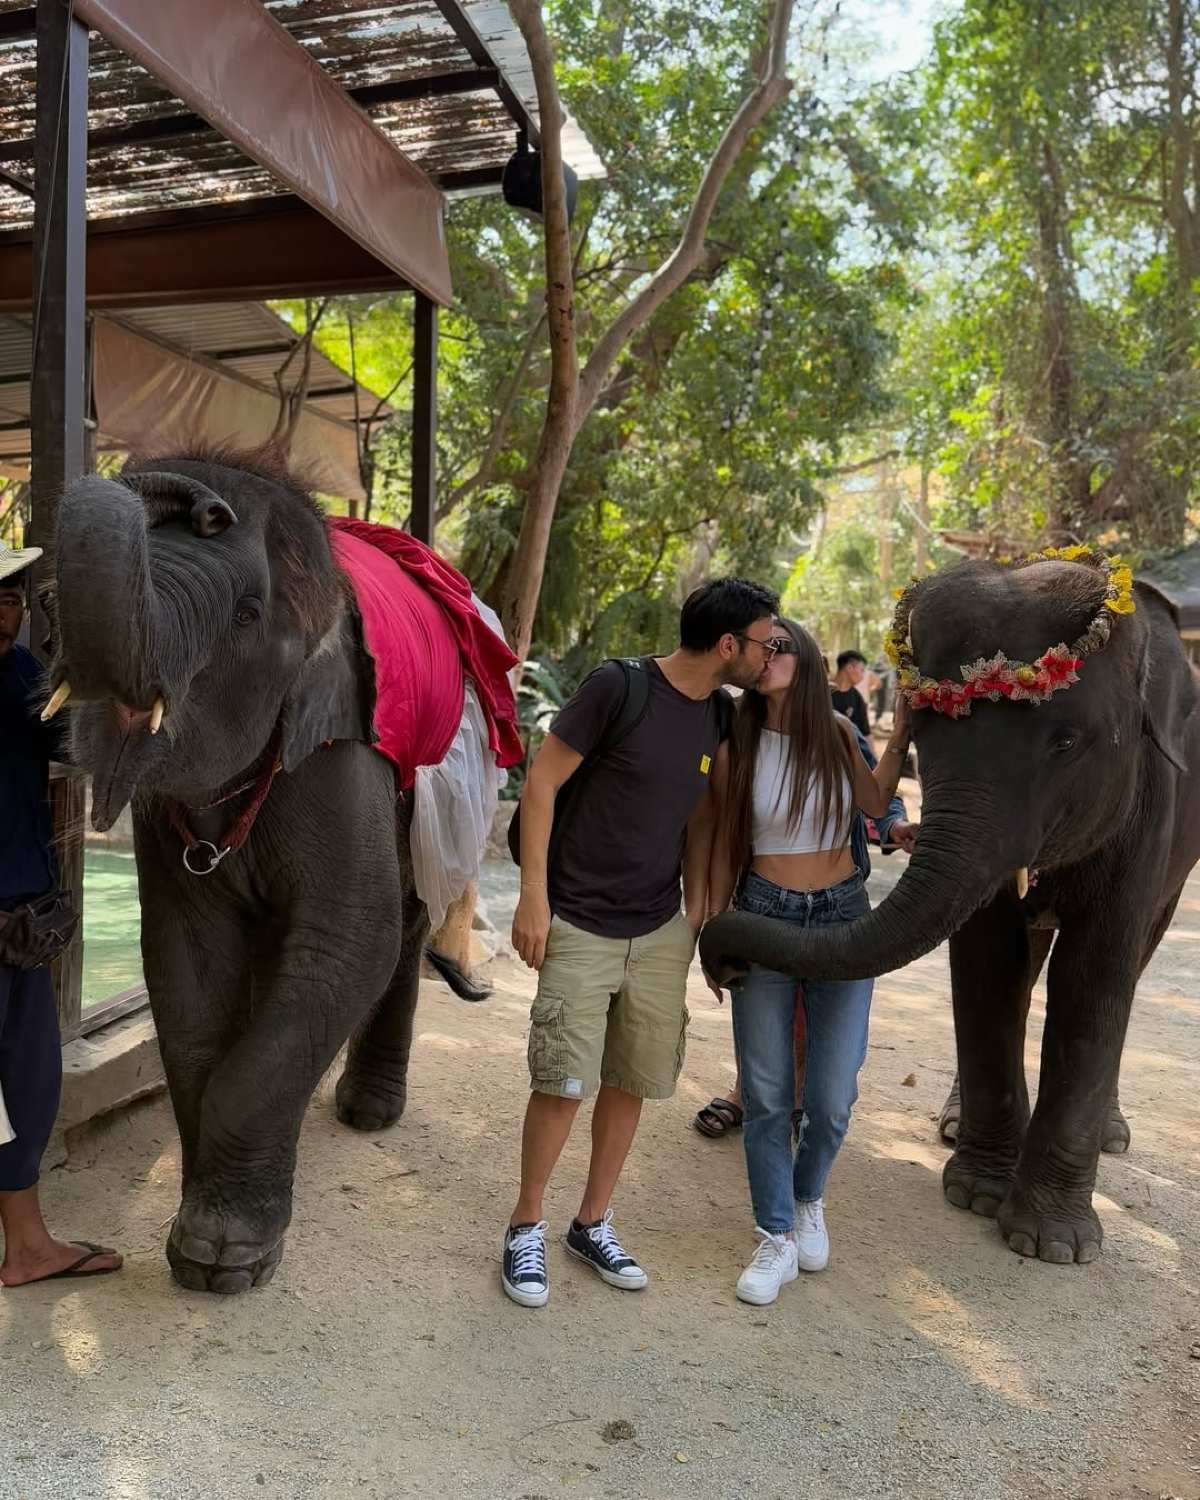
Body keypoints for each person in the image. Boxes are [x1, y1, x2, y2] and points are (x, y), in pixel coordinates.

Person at [502, 577, 780, 1308]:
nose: (768, 655)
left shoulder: (719, 717)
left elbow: (702, 818)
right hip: (579, 920)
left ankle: (591, 1222)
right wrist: (534, 897)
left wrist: (691, 920)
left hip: (658, 929)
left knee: (631, 1079)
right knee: (563, 1080)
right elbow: (542, 782)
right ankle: (525, 1224)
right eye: (765, 642)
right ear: (729, 644)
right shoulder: (616, 688)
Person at [706, 617, 911, 1306]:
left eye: (781, 647)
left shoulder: (837, 730)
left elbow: (876, 803)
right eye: (762, 649)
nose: (769, 658)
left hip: (842, 916)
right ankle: (776, 1236)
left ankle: (807, 1197)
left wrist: (904, 727)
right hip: (763, 915)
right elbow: (720, 845)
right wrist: (714, 934)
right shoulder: (737, 737)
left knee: (831, 1095)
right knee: (766, 1094)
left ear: (806, 657)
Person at [691, 717, 916, 1139]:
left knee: (807, 1006)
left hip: (833, 897)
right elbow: (721, 832)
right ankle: (746, 1091)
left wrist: (895, 827)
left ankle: (798, 1097)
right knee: (760, 1001)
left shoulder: (836, 729)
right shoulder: (742, 730)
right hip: (761, 892)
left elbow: (876, 790)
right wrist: (714, 924)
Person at [0, 553, 123, 1286]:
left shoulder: (20, 675)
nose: (3, 614)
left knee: (29, 1086)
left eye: (11, 600)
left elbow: (72, 742)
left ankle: (27, 1245)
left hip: (20, 926)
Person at [830, 648, 870, 737]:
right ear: (849, 668)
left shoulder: (857, 698)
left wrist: (870, 751)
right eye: (861, 670)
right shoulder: (822, 691)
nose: (863, 676)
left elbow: (866, 733)